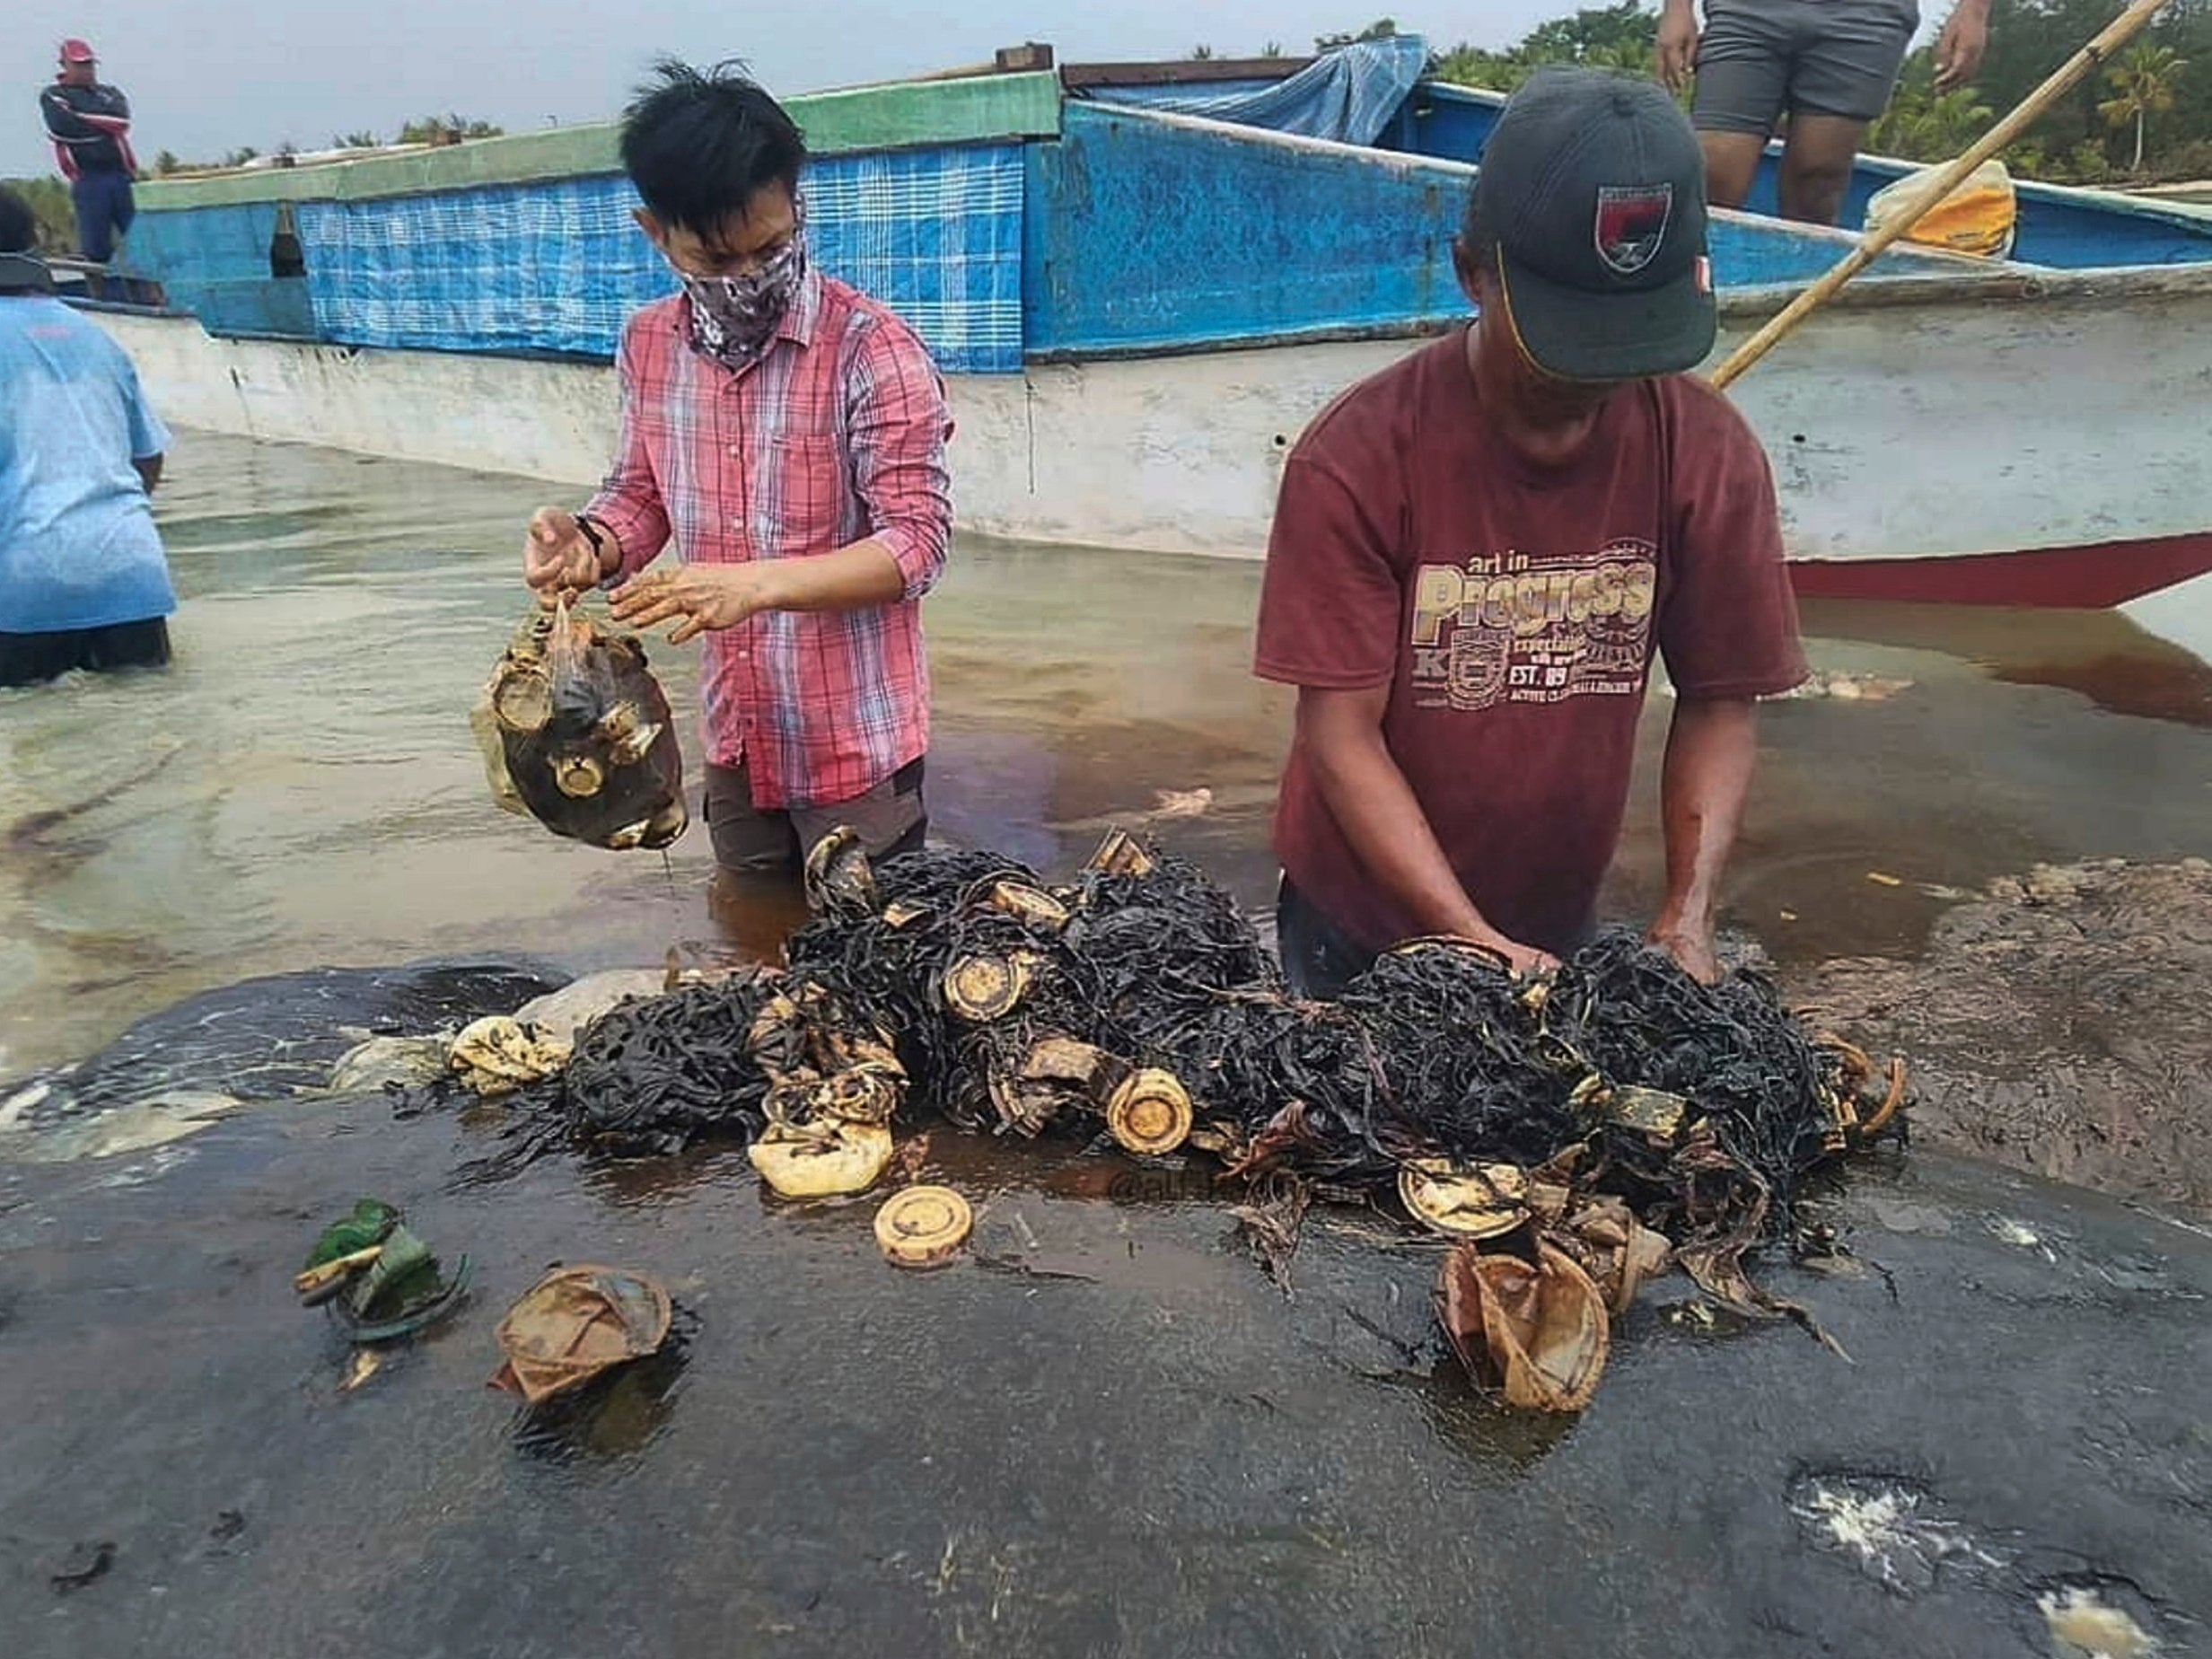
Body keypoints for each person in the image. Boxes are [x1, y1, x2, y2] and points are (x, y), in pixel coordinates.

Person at [1254, 67, 1808, 998]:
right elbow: (1339, 736)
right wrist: (1467, 937)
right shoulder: (1354, 459)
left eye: (1627, 337)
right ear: (1474, 273)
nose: (1600, 379)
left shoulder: (1707, 451)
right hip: (1356, 922)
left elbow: (1720, 698)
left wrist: (1686, 913)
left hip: (1556, 911)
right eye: (1571, 338)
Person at [522, 60, 952, 879]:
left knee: (877, 973)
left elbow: (917, 546)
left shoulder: (872, 349)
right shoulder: (649, 345)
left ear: (797, 205)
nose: (750, 279)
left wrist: (754, 585)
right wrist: (591, 543)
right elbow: (641, 494)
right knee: (750, 952)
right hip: (738, 737)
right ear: (657, 233)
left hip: (854, 745)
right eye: (716, 261)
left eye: (773, 246)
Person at [0, 187, 176, 689]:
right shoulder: (95, 336)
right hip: (131, 574)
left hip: (26, 589)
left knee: (42, 748)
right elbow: (148, 459)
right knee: (153, 741)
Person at [1658, 0, 1990, 226]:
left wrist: (1973, 11)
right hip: (1747, 11)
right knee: (1714, 170)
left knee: (1818, 176)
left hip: (1866, 17)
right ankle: (1682, 298)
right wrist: (1677, 9)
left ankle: (1798, 300)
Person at [38, 39, 139, 272]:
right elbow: (62, 127)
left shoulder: (109, 93)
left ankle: (154, 296)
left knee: (139, 239)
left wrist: (81, 117)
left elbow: (120, 121)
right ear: (65, 65)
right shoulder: (53, 95)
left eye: (89, 64)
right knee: (95, 248)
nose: (87, 70)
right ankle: (100, 299)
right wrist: (102, 129)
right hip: (88, 178)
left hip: (122, 176)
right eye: (80, 65)